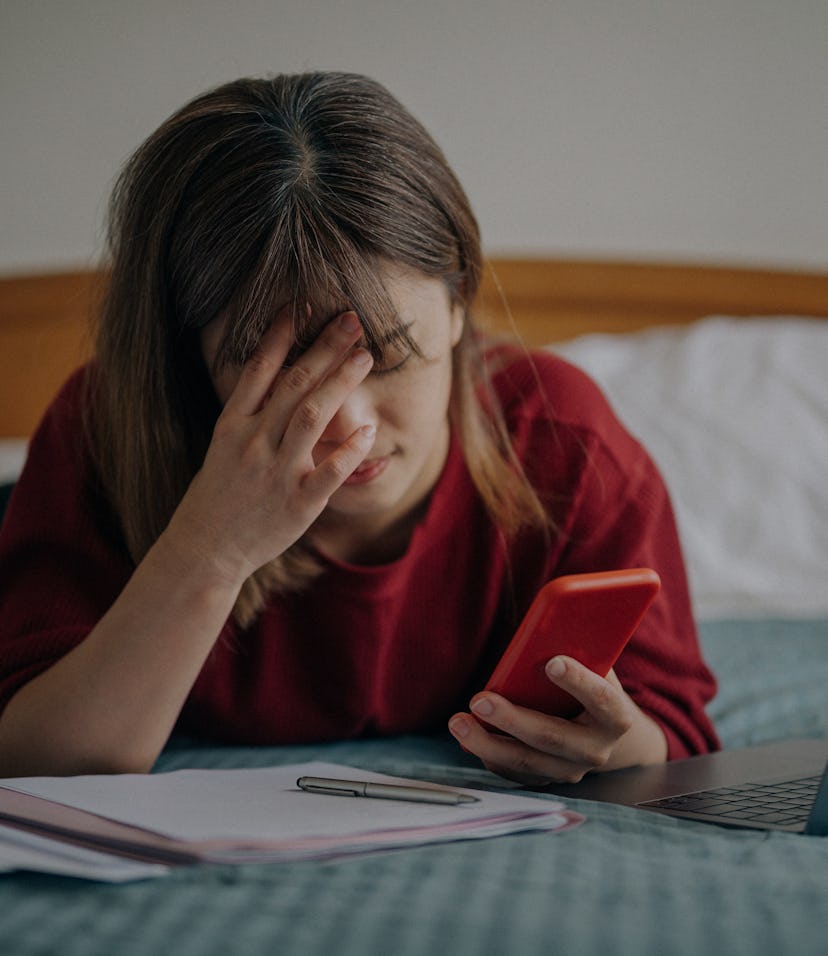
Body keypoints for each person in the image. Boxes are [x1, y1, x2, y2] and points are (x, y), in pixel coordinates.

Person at [0, 72, 718, 780]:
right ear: (190, 363)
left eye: (391, 356)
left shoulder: (564, 442)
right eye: (280, 377)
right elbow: (31, 764)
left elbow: (675, 733)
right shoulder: (109, 432)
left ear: (460, 304)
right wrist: (211, 550)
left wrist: (616, 746)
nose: (347, 426)